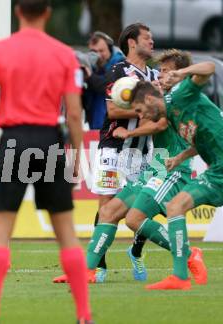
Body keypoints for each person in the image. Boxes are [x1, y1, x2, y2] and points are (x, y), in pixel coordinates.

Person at [0, 0, 92, 323]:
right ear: (48, 13)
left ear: (18, 12)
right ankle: (84, 315)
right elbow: (75, 113)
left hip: (15, 140)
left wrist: (13, 104)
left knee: (0, 231)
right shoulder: (64, 54)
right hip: (49, 140)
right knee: (66, 232)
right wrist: (78, 157)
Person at [82, 49, 207, 285]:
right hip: (155, 168)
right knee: (108, 212)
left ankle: (189, 255)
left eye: (166, 71)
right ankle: (88, 271)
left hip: (171, 169)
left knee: (134, 219)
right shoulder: (163, 95)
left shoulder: (181, 96)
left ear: (180, 74)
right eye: (160, 71)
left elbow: (160, 125)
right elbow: (149, 118)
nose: (160, 75)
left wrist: (129, 132)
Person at [54, 22, 158, 284]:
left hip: (144, 153)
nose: (152, 41)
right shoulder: (119, 71)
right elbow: (112, 112)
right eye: (147, 37)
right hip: (113, 149)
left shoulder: (155, 76)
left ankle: (135, 251)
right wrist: (145, 111)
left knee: (143, 210)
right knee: (106, 207)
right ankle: (98, 266)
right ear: (132, 43)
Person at [129, 58, 219, 290]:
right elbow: (203, 139)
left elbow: (210, 66)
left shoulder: (179, 96)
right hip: (217, 170)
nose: (141, 117)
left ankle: (181, 275)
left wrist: (183, 73)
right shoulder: (173, 116)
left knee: (175, 206)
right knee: (175, 207)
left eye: (139, 111)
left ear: (150, 100)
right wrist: (180, 157)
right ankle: (180, 277)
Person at [82, 31, 125, 130]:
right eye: (94, 51)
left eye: (102, 51)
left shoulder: (119, 65)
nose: (98, 55)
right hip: (93, 126)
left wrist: (89, 76)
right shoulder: (91, 68)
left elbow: (106, 86)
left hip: (112, 128)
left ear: (110, 49)